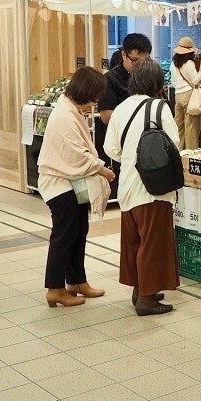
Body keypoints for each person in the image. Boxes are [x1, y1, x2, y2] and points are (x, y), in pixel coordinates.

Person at [103, 58, 180, 316]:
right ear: (157, 82)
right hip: (153, 186)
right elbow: (174, 144)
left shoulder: (121, 108)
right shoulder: (159, 107)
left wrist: (130, 156)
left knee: (135, 241)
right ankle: (146, 299)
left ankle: (141, 288)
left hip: (127, 186)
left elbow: (110, 148)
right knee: (153, 242)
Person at [38, 67, 115, 308]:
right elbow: (76, 155)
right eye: (96, 95)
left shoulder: (71, 110)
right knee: (64, 236)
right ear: (86, 92)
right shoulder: (64, 116)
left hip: (71, 183)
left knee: (78, 232)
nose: (97, 100)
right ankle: (55, 288)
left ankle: (77, 282)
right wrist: (102, 169)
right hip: (59, 184)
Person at [98, 33, 152, 126]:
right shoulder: (109, 79)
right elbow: (106, 117)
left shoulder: (151, 76)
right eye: (135, 60)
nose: (140, 66)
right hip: (121, 132)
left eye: (144, 61)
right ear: (123, 54)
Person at [170, 36, 201, 150]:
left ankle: (179, 151)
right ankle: (191, 152)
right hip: (188, 95)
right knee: (191, 126)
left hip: (177, 95)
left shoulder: (173, 63)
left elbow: (173, 81)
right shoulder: (189, 63)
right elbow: (195, 80)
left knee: (179, 125)